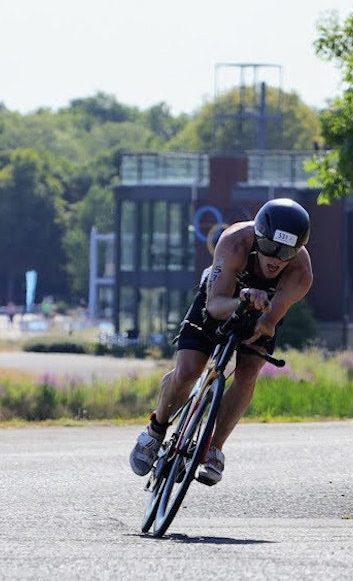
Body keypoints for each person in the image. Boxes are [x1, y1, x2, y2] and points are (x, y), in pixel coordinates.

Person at [129, 198, 313, 485]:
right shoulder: (234, 242)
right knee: (188, 370)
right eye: (270, 248)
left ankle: (214, 447)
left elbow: (267, 323)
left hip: (262, 311)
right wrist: (242, 298)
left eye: (287, 252)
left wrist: (259, 325)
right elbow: (214, 306)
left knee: (248, 373)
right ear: (258, 237)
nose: (276, 259)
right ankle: (156, 430)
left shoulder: (301, 273)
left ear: (298, 249)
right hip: (221, 297)